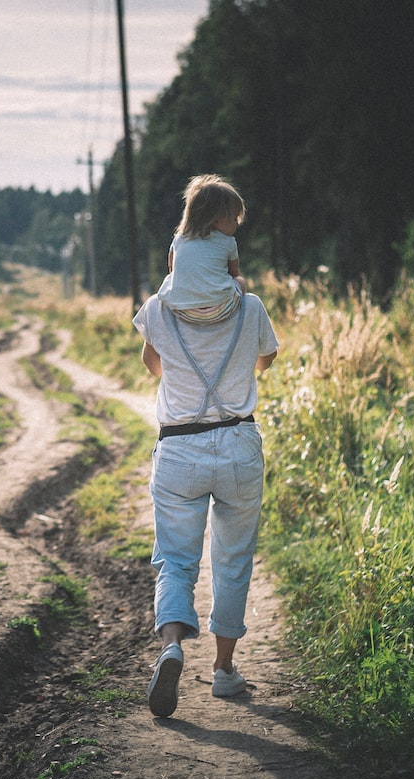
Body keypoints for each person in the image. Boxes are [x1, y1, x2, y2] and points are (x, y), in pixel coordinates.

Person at [132, 174, 279, 718]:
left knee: (175, 559)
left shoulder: (160, 309)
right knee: (233, 561)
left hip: (179, 451)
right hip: (239, 445)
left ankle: (171, 646)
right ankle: (223, 672)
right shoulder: (251, 308)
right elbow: (264, 360)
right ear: (224, 240)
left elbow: (152, 366)